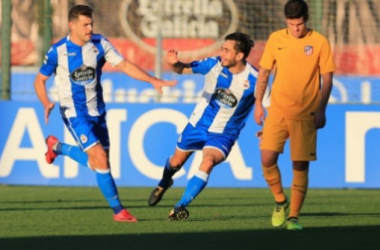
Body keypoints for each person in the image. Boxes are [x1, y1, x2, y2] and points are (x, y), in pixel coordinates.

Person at [34, 5, 176, 223]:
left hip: (98, 112)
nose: (90, 28)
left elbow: (125, 65)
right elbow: (40, 80)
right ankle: (119, 211)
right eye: (85, 24)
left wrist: (153, 80)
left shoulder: (100, 44)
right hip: (74, 113)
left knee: (98, 163)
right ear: (72, 25)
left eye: (91, 23)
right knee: (100, 159)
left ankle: (56, 147)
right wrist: (45, 102)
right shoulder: (57, 51)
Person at [147, 32, 270, 220]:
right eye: (222, 49)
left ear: (240, 56)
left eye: (227, 51)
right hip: (198, 124)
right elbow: (181, 69)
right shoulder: (214, 64)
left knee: (208, 162)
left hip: (224, 133)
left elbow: (270, 107)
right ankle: (164, 182)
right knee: (176, 162)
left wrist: (267, 129)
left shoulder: (256, 79)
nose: (222, 54)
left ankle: (180, 206)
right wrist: (172, 62)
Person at [253, 0, 335, 230]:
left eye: (299, 24)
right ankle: (280, 200)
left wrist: (322, 110)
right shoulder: (276, 39)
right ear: (286, 21)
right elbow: (264, 72)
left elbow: (327, 78)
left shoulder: (319, 42)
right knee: (267, 158)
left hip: (306, 115)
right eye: (291, 24)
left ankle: (294, 218)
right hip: (277, 111)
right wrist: (258, 104)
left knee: (300, 166)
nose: (296, 29)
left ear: (306, 20)